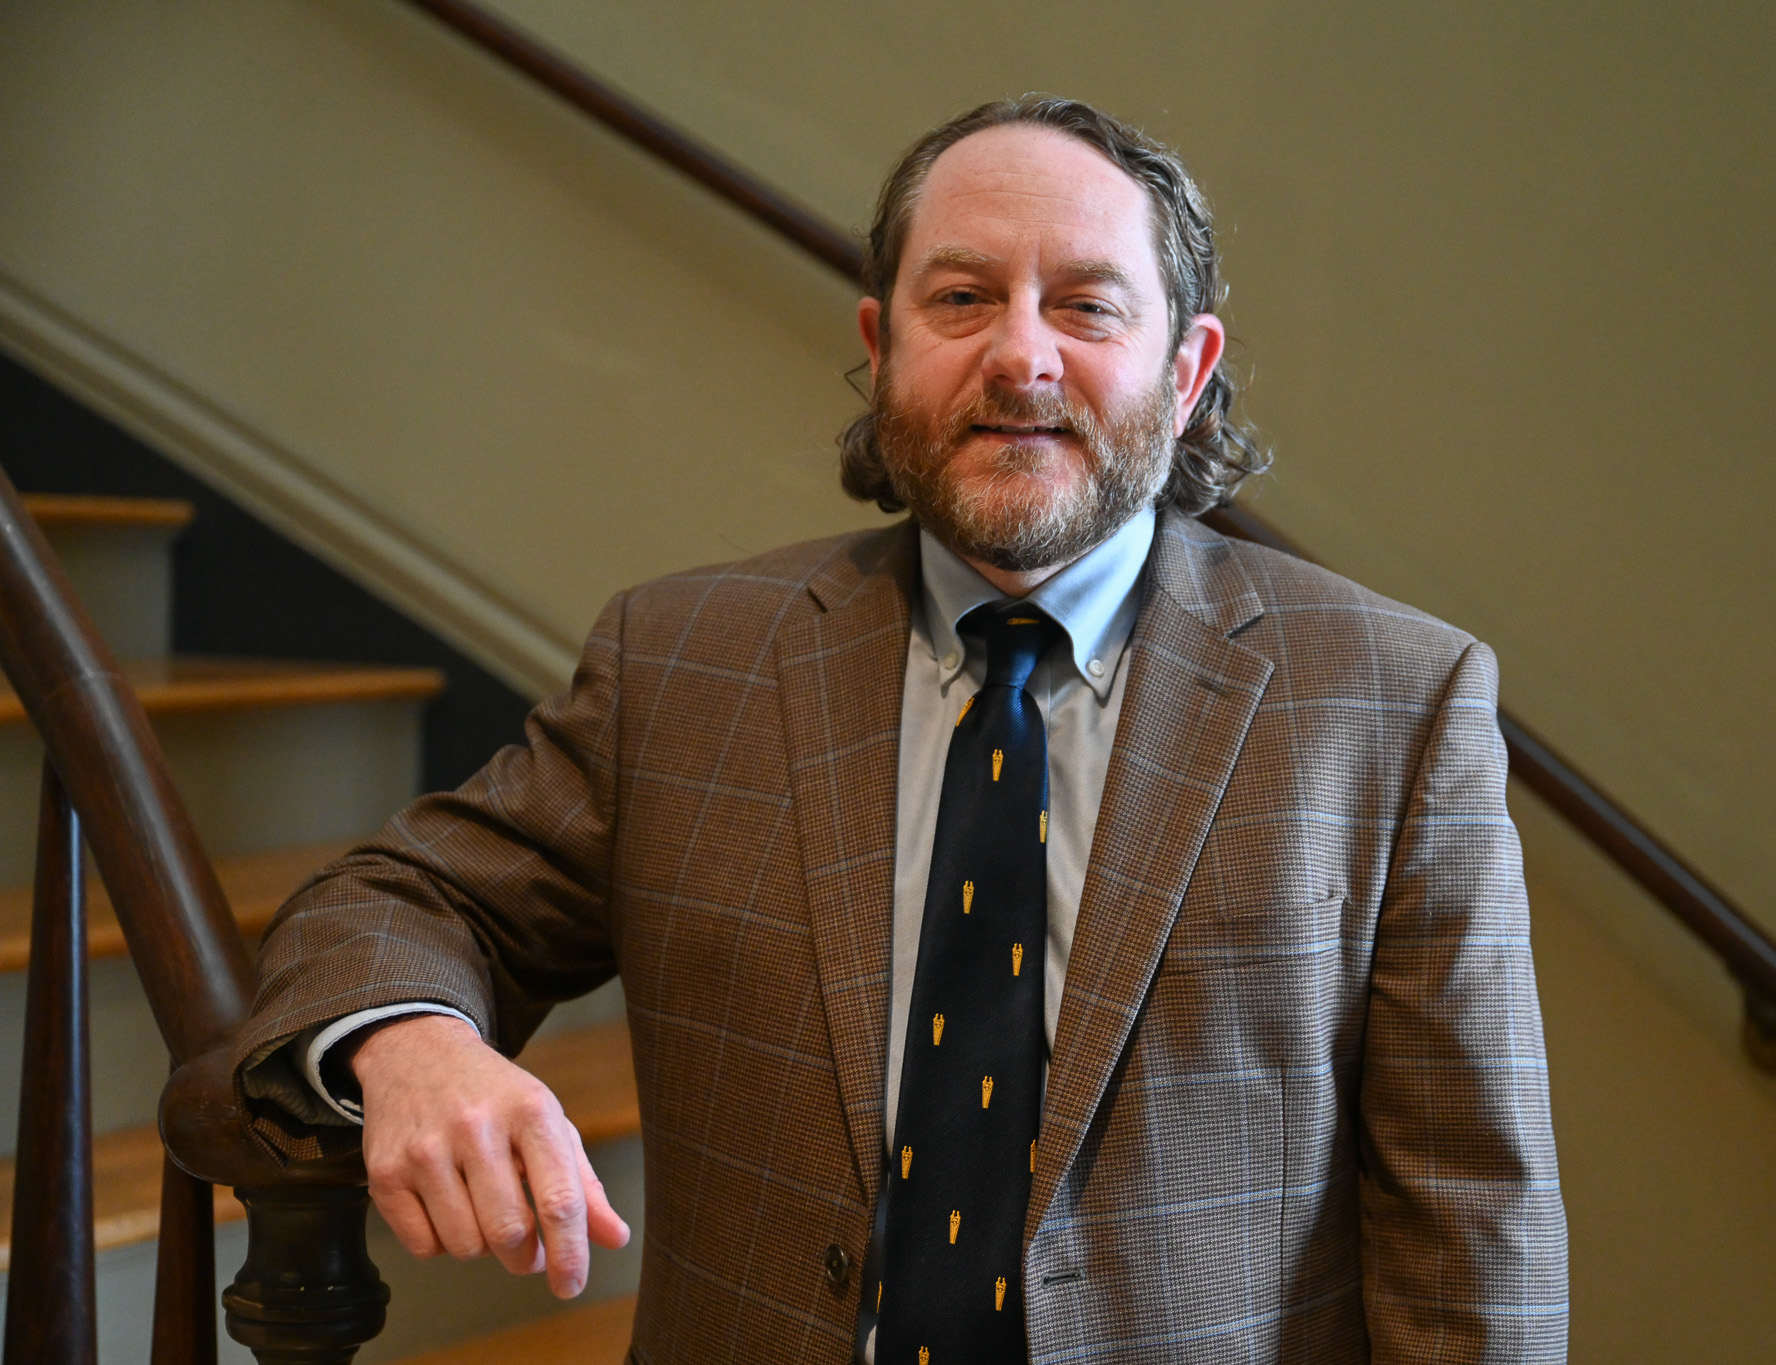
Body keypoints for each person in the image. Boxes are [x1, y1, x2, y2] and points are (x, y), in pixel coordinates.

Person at [234, 95, 1567, 1364]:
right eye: (963, 298)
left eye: (1087, 305)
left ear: (1187, 368)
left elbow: (1473, 1226)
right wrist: (410, 1042)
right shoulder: (681, 663)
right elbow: (397, 900)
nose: (1021, 355)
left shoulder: (1394, 698)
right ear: (881, 349)